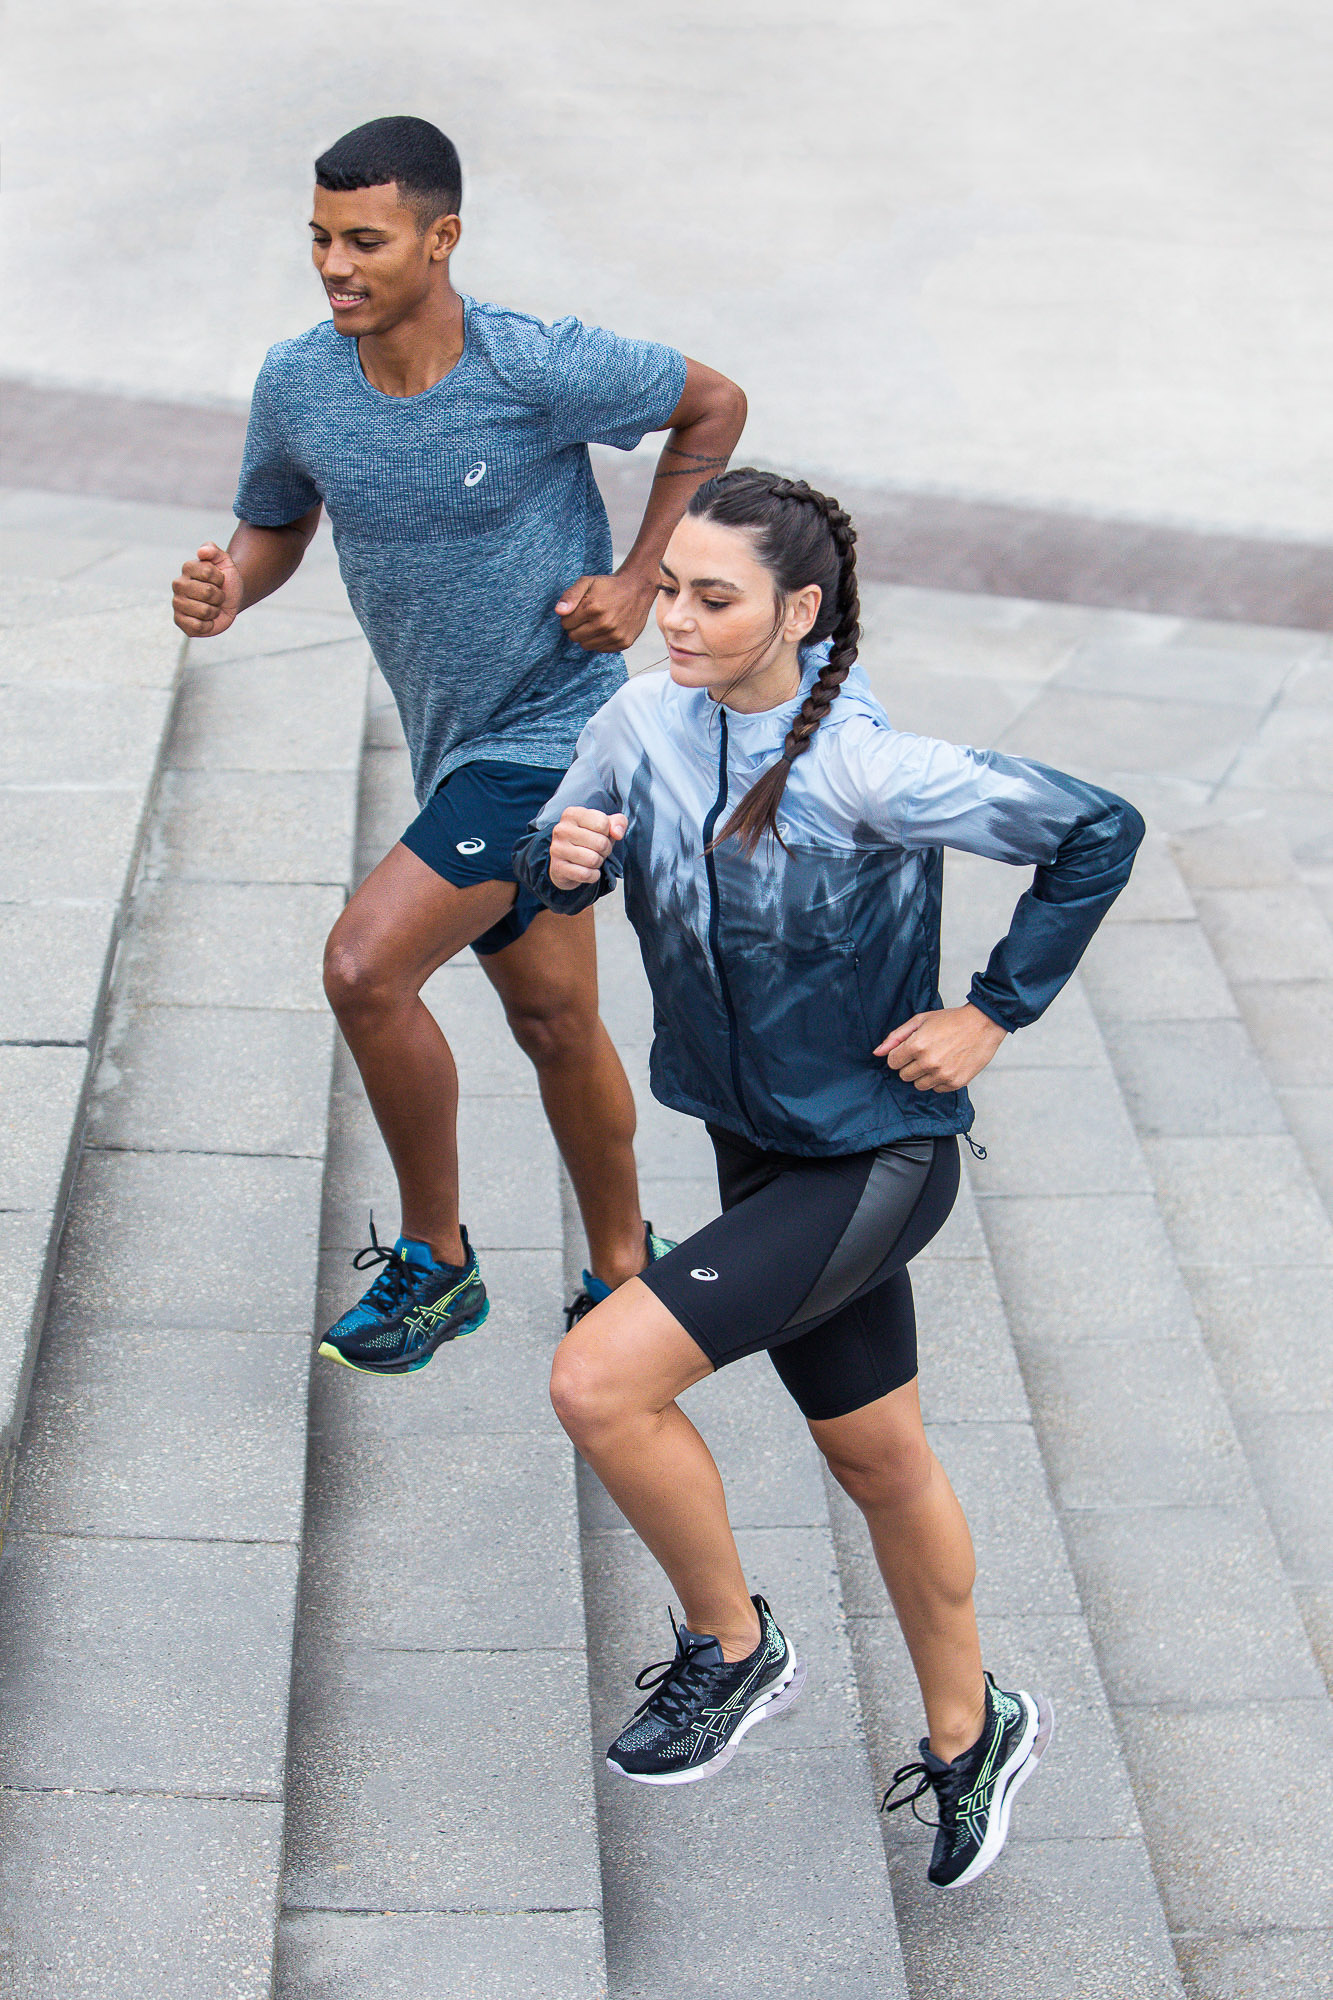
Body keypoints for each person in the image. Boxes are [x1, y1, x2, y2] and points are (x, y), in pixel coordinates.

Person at [513, 468, 1144, 1888]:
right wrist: (560, 867)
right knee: (875, 1454)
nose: (669, 615)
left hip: (870, 1159)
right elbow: (564, 869)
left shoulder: (872, 770)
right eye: (667, 585)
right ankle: (975, 1729)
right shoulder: (639, 724)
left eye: (709, 597)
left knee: (598, 1381)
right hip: (756, 1150)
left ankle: (735, 1646)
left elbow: (1097, 830)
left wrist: (993, 1007)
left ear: (796, 610)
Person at [170, 116, 746, 1372]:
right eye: (319, 238)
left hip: (558, 740)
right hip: (455, 746)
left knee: (365, 968)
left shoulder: (534, 365)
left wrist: (643, 576)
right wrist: (231, 589)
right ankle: (622, 1271)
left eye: (364, 240)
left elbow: (713, 401)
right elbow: (276, 522)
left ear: (440, 239)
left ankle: (438, 1264)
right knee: (552, 1021)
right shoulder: (299, 381)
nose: (335, 264)